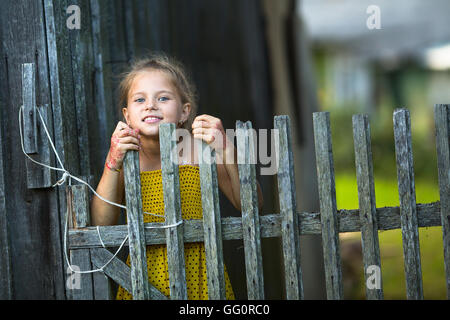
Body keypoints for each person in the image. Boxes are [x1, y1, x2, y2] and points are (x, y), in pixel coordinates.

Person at [90, 53, 264, 300]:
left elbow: (251, 204)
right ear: (127, 116)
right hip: (142, 277)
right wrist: (112, 162)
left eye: (163, 98)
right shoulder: (126, 160)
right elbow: (100, 226)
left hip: (202, 276)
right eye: (140, 99)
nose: (151, 105)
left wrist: (226, 147)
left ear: (185, 111)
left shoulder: (200, 152)